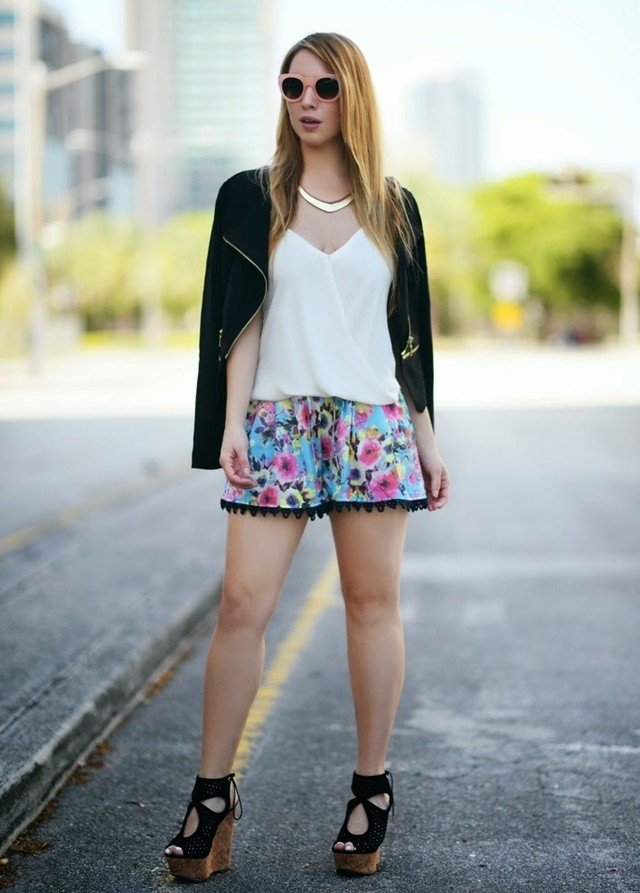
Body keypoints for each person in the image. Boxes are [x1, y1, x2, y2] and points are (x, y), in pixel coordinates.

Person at [164, 31, 450, 881]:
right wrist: (233, 420)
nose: (306, 99)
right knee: (241, 606)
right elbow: (236, 317)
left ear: (352, 94)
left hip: (372, 424)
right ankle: (210, 798)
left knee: (371, 604)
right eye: (293, 85)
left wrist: (427, 438)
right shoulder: (249, 197)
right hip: (281, 422)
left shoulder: (395, 206)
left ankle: (371, 790)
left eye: (324, 85)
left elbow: (411, 339)